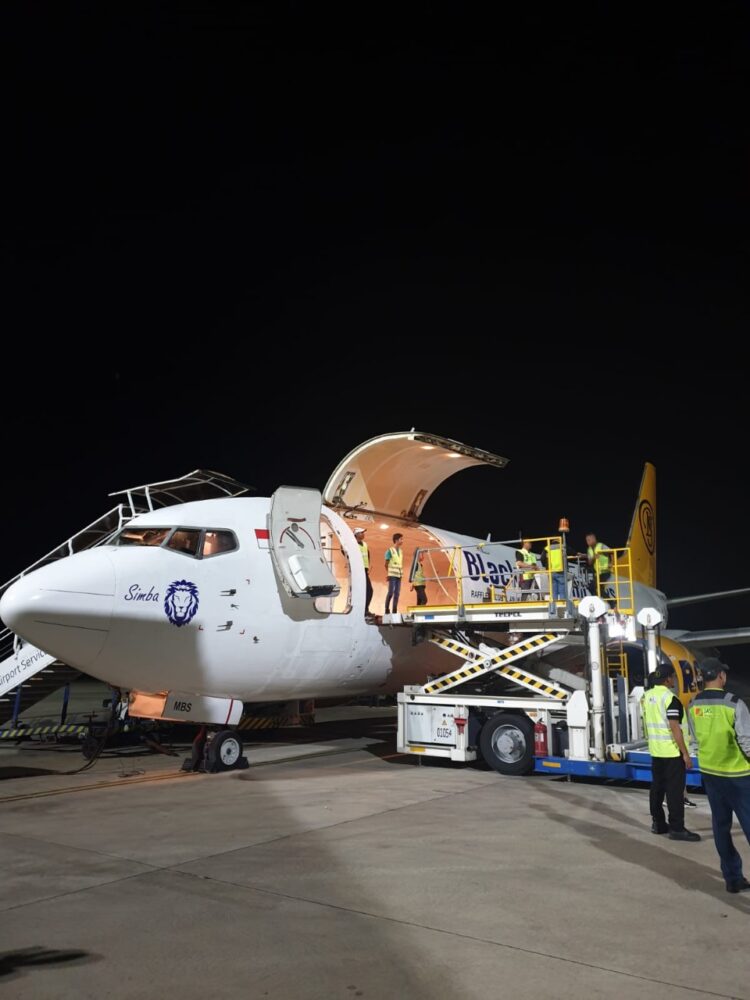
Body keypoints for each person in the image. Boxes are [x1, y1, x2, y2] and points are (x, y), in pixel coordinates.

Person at [688, 657, 750, 893]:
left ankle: (732, 878)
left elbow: (695, 740)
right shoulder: (734, 703)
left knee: (721, 827)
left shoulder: (693, 705)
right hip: (739, 774)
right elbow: (746, 741)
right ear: (721, 676)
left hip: (711, 775)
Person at [642, 661, 701, 841]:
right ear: (668, 679)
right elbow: (675, 727)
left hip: (656, 751)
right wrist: (685, 753)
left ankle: (658, 823)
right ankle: (677, 828)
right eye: (673, 677)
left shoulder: (646, 696)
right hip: (672, 752)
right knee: (674, 792)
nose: (674, 679)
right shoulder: (670, 699)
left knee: (657, 789)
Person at [354, 527, 373, 617]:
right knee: (362, 591)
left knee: (369, 591)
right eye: (361, 532)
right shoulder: (353, 544)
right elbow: (343, 550)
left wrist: (368, 566)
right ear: (356, 534)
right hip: (358, 570)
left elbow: (367, 555)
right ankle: (361, 610)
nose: (363, 534)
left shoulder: (365, 544)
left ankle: (365, 609)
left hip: (364, 570)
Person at [384, 533, 404, 614]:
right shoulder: (389, 551)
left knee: (397, 594)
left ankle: (394, 610)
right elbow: (386, 564)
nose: (402, 541)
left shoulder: (401, 551)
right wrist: (389, 574)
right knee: (391, 592)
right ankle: (386, 609)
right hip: (392, 575)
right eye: (401, 539)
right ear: (396, 540)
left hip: (399, 576)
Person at [542, 537, 567, 603]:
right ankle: (562, 604)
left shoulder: (547, 547)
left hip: (551, 571)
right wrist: (576, 554)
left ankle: (554, 605)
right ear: (559, 541)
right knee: (562, 590)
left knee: (553, 591)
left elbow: (542, 558)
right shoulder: (562, 546)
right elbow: (571, 552)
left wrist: (546, 566)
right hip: (560, 571)